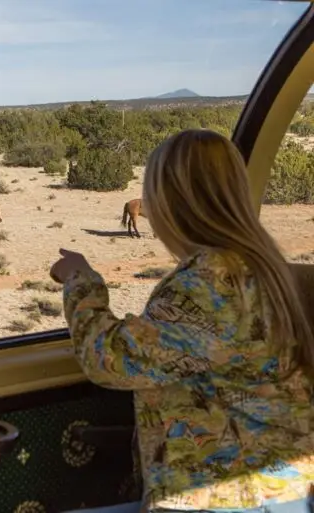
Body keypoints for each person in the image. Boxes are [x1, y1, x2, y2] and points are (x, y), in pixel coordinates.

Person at [50, 129, 314, 513]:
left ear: (172, 204)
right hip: (285, 490)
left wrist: (80, 280)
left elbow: (108, 359)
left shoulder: (207, 283)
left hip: (225, 495)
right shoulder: (263, 269)